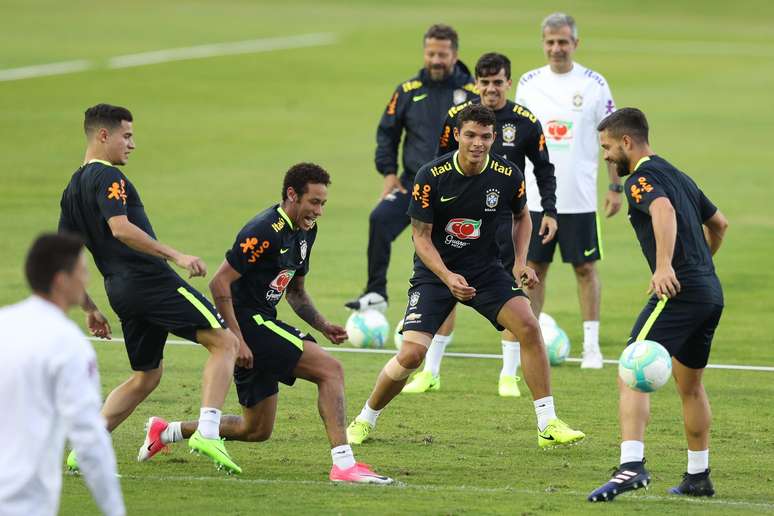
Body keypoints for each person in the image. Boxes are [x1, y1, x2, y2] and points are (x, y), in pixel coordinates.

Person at [346, 104, 585, 449]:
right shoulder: (430, 176)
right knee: (412, 355)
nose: (478, 143)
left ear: (493, 138)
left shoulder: (508, 175)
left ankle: (547, 424)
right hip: (435, 273)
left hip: (487, 272)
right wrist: (447, 276)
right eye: (470, 135)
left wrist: (520, 263)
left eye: (486, 136)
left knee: (529, 327)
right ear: (457, 135)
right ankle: (365, 418)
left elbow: (522, 218)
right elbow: (421, 237)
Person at [141, 164, 393, 484]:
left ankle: (167, 431)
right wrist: (236, 339)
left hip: (262, 322)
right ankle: (344, 465)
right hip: (247, 323)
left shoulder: (305, 232)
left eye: (323, 204)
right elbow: (219, 284)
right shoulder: (264, 230)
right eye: (313, 202)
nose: (318, 211)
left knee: (256, 429)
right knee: (330, 369)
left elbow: (296, 292)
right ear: (292, 195)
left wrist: (323, 323)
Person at [58, 104, 241, 474]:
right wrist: (176, 255)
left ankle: (85, 448)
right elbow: (121, 228)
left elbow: (64, 257)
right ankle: (207, 431)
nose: (133, 144)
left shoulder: (72, 189)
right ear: (103, 136)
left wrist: (90, 307)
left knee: (147, 375)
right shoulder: (109, 179)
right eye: (127, 136)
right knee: (226, 343)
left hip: (119, 290)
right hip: (150, 280)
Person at [588, 108, 727, 502]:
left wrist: (667, 266)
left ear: (627, 142)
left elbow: (662, 210)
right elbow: (720, 224)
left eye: (607, 147)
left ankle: (631, 465)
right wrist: (701, 267)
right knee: (691, 385)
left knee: (631, 367)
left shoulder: (642, 179)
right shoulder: (678, 175)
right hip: (708, 291)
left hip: (679, 291)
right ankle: (698, 477)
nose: (606, 156)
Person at [403, 52, 557, 397]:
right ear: (476, 83)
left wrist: (549, 210)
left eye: (497, 82)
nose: (490, 88)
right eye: (484, 82)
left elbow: (544, 168)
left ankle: (507, 373)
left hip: (503, 221)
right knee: (447, 289)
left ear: (508, 82)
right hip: (458, 220)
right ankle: (431, 371)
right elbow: (440, 162)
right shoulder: (457, 117)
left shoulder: (525, 120)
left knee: (512, 295)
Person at [515, 13, 623, 369]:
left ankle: (591, 347)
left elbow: (608, 138)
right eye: (550, 42)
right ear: (543, 43)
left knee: (585, 269)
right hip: (534, 196)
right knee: (534, 269)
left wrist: (614, 185)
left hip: (578, 197)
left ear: (576, 43)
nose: (556, 48)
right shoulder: (529, 84)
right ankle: (527, 346)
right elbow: (516, 141)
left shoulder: (594, 84)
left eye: (563, 42)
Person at [345, 23, 476, 313]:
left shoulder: (471, 93)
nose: (436, 60)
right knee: (380, 219)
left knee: (452, 250)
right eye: (431, 53)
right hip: (413, 182)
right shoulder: (407, 91)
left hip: (457, 187)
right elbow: (387, 133)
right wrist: (389, 173)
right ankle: (376, 292)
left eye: (442, 54)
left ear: (454, 55)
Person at [0, 233, 125, 516]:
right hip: (23, 502)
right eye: (82, 271)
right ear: (61, 280)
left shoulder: (3, 322)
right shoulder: (68, 345)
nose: (87, 280)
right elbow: (89, 437)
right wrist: (115, 509)